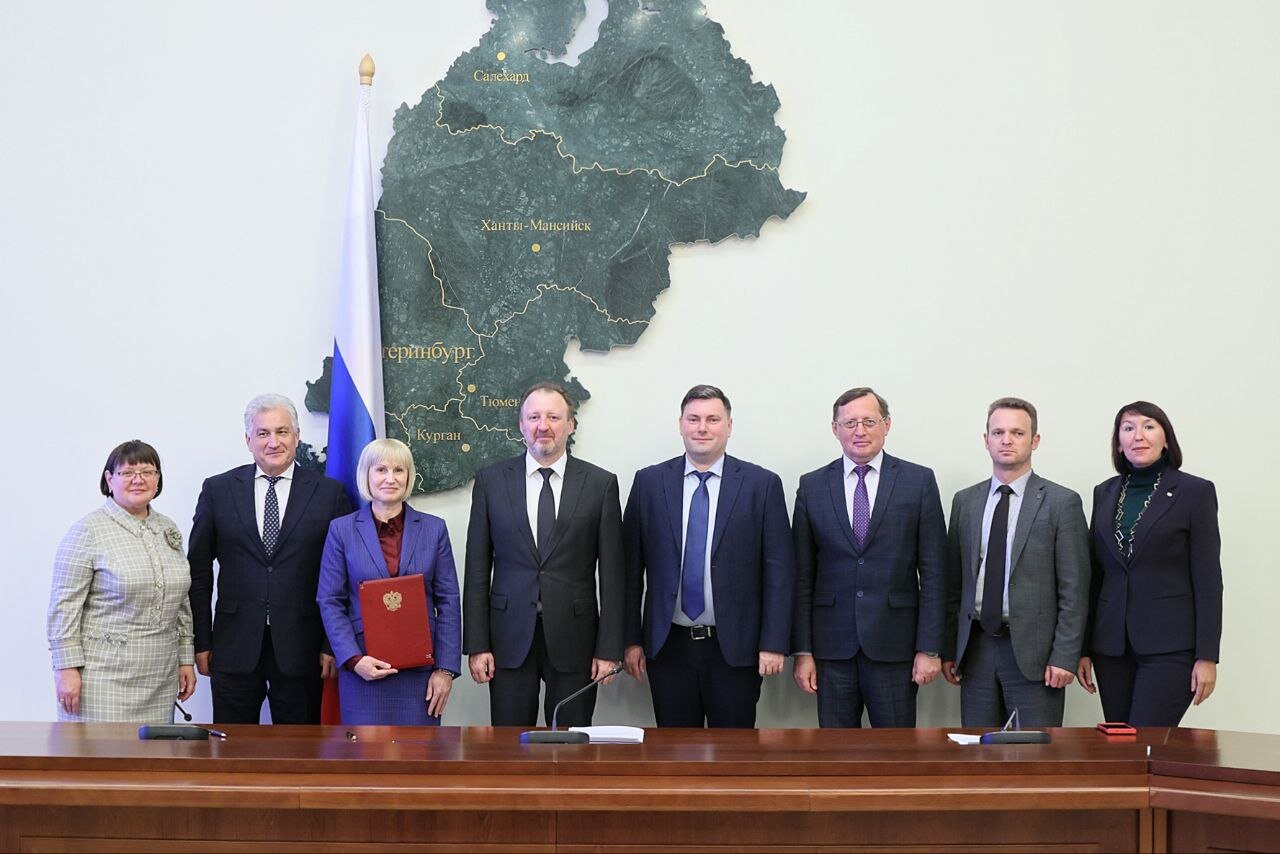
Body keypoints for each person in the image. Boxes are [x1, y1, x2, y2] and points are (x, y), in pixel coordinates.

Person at [621, 385, 793, 727]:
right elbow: (628, 572)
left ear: (729, 426)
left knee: (733, 751)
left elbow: (779, 572)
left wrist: (773, 643)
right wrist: (630, 640)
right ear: (680, 425)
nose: (702, 428)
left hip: (736, 648)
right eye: (694, 419)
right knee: (675, 750)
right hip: (668, 646)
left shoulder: (761, 485)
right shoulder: (649, 483)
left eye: (713, 419)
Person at [463, 381, 625, 728]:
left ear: (571, 425)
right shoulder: (491, 482)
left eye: (553, 417)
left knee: (571, 744)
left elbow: (613, 576)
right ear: (521, 425)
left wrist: (609, 648)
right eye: (534, 417)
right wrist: (477, 644)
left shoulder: (600, 484)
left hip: (577, 640)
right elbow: (477, 569)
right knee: (509, 746)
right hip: (507, 639)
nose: (543, 426)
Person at [188, 393, 352, 724]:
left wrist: (331, 644)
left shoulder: (329, 494)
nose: (273, 442)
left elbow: (343, 576)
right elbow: (199, 572)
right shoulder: (218, 490)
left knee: (298, 749)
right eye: (263, 433)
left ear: (297, 436)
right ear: (248, 440)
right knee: (233, 746)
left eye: (282, 431)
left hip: (303, 648)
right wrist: (201, 641)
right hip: (232, 645)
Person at [791, 387, 947, 728]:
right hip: (831, 650)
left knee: (896, 752)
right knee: (836, 750)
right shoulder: (812, 486)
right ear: (835, 429)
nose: (859, 431)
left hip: (896, 648)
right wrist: (803, 652)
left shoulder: (918, 482)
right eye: (849, 423)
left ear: (886, 425)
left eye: (869, 421)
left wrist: (930, 649)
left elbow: (935, 573)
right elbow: (802, 576)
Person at [941, 398, 1089, 727]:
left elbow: (1075, 589)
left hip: (1036, 656)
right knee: (978, 749)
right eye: (998, 432)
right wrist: (950, 648)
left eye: (1017, 433)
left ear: (1034, 440)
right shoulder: (966, 502)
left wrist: (1065, 656)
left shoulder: (1061, 503)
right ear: (986, 440)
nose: (1006, 440)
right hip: (976, 650)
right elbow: (955, 584)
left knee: (1033, 753)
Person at [1076, 401, 1222, 726]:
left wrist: (1207, 656)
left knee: (1147, 741)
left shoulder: (1195, 492)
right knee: (1120, 741)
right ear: (1118, 443)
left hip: (1170, 646)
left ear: (1166, 438)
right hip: (1111, 647)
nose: (1138, 436)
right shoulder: (1105, 492)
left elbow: (1208, 579)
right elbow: (1095, 575)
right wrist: (1083, 648)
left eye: (1149, 426)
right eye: (1128, 428)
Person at [47, 440, 196, 722]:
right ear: (109, 479)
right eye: (127, 473)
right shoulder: (87, 531)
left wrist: (185, 658)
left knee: (155, 751)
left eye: (148, 472)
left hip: (161, 678)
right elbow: (64, 606)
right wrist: (65, 669)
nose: (138, 480)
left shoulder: (168, 528)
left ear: (158, 479)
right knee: (102, 750)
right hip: (102, 679)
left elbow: (182, 602)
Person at [317, 439, 461, 725]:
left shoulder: (434, 529)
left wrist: (445, 670)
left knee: (418, 752)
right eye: (381, 469)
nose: (390, 478)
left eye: (399, 470)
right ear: (366, 475)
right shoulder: (341, 530)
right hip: (362, 669)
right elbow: (330, 601)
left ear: (409, 476)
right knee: (364, 753)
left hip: (422, 674)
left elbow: (449, 602)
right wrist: (354, 659)